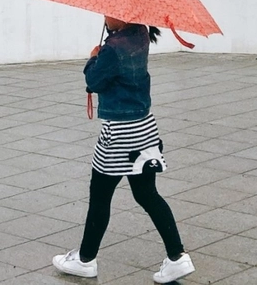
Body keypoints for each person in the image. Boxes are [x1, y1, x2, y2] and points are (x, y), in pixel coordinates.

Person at [53, 16, 193, 283]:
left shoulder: (114, 48)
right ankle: (177, 257)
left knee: (100, 196)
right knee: (147, 194)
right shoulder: (140, 34)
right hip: (144, 127)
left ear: (122, 14)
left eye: (108, 12)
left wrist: (94, 57)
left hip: (119, 133)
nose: (105, 16)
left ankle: (85, 260)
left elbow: (94, 82)